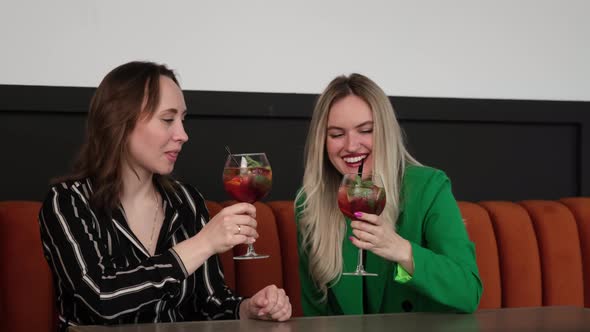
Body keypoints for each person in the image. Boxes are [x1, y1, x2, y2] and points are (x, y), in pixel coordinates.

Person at [39, 61, 291, 331]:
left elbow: (210, 302)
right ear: (120, 121)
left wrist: (248, 309)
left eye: (183, 119)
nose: (183, 135)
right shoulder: (68, 202)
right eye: (168, 119)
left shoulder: (186, 201)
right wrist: (203, 243)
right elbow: (100, 301)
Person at [295, 73, 482, 315]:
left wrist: (401, 249)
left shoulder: (429, 188)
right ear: (322, 141)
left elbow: (468, 292)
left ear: (385, 133)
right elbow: (315, 315)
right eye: (337, 134)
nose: (351, 145)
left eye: (366, 130)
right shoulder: (310, 203)